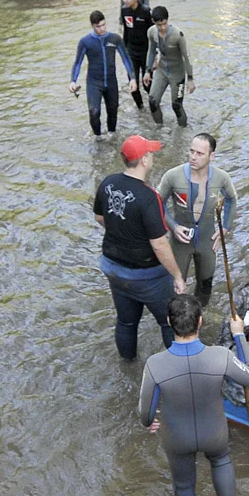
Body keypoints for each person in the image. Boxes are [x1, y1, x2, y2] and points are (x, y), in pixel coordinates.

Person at [139, 294, 249, 496]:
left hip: (177, 436)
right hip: (214, 432)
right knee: (221, 460)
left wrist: (151, 421)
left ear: (168, 321)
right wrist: (239, 334)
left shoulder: (155, 364)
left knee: (183, 486)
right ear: (201, 322)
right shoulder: (220, 356)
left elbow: (145, 415)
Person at [96, 136, 189, 360]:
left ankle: (128, 363)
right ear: (144, 160)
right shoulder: (149, 197)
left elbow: (100, 217)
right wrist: (177, 276)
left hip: (113, 268)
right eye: (151, 153)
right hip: (147, 275)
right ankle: (176, 369)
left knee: (126, 321)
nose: (152, 157)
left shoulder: (108, 183)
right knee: (169, 322)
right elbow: (159, 244)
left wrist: (123, 229)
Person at [156, 133, 237, 307]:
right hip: (179, 241)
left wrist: (225, 227)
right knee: (175, 289)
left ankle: (199, 319)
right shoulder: (173, 176)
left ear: (212, 156)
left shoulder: (221, 178)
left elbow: (232, 199)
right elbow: (156, 204)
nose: (193, 157)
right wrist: (173, 226)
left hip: (207, 241)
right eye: (191, 151)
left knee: (205, 286)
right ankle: (176, 322)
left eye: (200, 153)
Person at [69, 11, 138, 137]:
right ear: (92, 26)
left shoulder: (114, 39)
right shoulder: (85, 42)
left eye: (103, 25)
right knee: (94, 112)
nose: (102, 29)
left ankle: (111, 137)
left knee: (113, 112)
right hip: (94, 82)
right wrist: (73, 81)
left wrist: (132, 78)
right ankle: (98, 138)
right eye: (98, 27)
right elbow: (78, 62)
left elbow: (126, 58)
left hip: (111, 81)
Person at [144, 6, 194, 127]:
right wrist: (147, 70)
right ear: (153, 22)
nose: (162, 27)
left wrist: (190, 79)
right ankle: (159, 127)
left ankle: (182, 132)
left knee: (176, 105)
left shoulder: (178, 35)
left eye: (164, 24)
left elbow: (187, 57)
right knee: (152, 101)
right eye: (159, 25)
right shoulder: (151, 32)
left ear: (167, 20)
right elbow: (151, 51)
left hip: (177, 74)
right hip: (162, 71)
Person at [119, 0, 155, 110]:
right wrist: (123, 52)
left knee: (147, 85)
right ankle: (141, 110)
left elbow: (153, 34)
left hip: (145, 52)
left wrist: (155, 56)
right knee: (133, 85)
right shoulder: (124, 11)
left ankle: (154, 106)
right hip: (131, 52)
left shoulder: (145, 12)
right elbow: (126, 33)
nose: (125, 1)